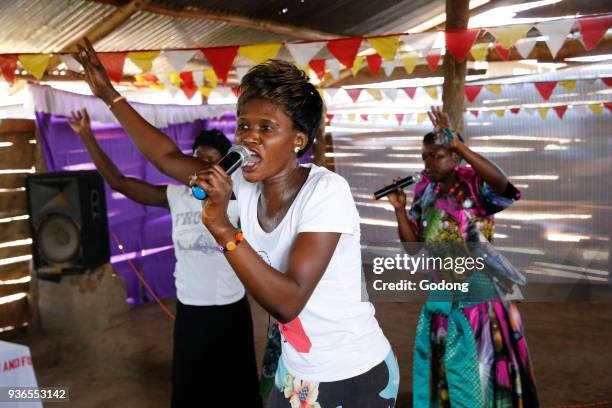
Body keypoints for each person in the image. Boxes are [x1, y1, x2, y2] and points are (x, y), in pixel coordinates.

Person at [74, 38, 398, 407]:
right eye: (244, 125)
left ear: (298, 140)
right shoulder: (242, 184)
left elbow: (288, 301)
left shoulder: (325, 191)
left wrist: (222, 229)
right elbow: (165, 157)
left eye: (266, 128)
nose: (249, 138)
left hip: (351, 372)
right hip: (296, 370)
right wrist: (109, 95)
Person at [66, 109, 261, 407]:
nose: (202, 167)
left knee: (236, 391)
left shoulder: (238, 201)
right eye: (197, 158)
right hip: (190, 312)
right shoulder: (176, 196)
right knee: (190, 390)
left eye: (210, 161)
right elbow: (118, 182)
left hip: (230, 311)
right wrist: (86, 135)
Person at [388, 107, 539, 407]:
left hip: (482, 304)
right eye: (425, 156)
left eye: (437, 154)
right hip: (444, 299)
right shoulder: (425, 193)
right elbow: (413, 247)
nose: (429, 162)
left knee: (484, 372)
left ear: (455, 158)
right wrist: (399, 210)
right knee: (451, 378)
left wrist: (457, 143)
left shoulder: (474, 185)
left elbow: (503, 185)